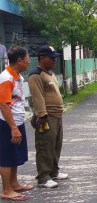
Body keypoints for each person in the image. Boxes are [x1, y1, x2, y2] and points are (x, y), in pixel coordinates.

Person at [28, 45, 67, 188]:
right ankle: (43, 176)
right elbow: (37, 97)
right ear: (42, 58)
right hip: (46, 116)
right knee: (45, 146)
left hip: (57, 115)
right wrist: (42, 115)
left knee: (56, 145)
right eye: (51, 58)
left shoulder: (50, 73)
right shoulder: (36, 75)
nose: (54, 60)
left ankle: (54, 171)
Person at [0, 46, 32, 201]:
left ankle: (14, 184)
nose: (28, 63)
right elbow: (4, 104)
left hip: (17, 121)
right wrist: (13, 127)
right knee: (6, 155)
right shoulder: (7, 78)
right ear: (19, 61)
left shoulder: (17, 77)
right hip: (7, 123)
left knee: (15, 154)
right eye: (27, 60)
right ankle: (6, 190)